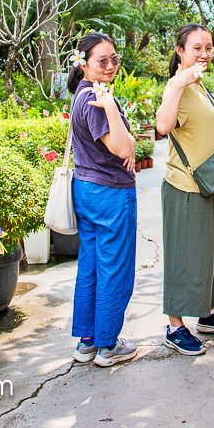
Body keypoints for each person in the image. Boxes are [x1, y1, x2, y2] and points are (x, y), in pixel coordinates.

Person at [155, 23, 214, 356]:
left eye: (209, 47)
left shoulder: (196, 80)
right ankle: (174, 326)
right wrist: (177, 83)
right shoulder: (178, 83)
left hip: (204, 184)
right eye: (197, 48)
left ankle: (205, 312)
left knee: (206, 254)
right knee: (182, 256)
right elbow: (163, 126)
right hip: (184, 186)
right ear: (180, 51)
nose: (205, 54)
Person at [67, 32, 140, 367]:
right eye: (102, 60)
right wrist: (111, 106)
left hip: (87, 189)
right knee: (114, 269)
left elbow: (122, 141)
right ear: (84, 64)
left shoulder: (81, 94)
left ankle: (88, 342)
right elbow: (121, 148)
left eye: (114, 59)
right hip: (110, 192)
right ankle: (108, 345)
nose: (110, 66)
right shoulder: (96, 98)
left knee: (92, 266)